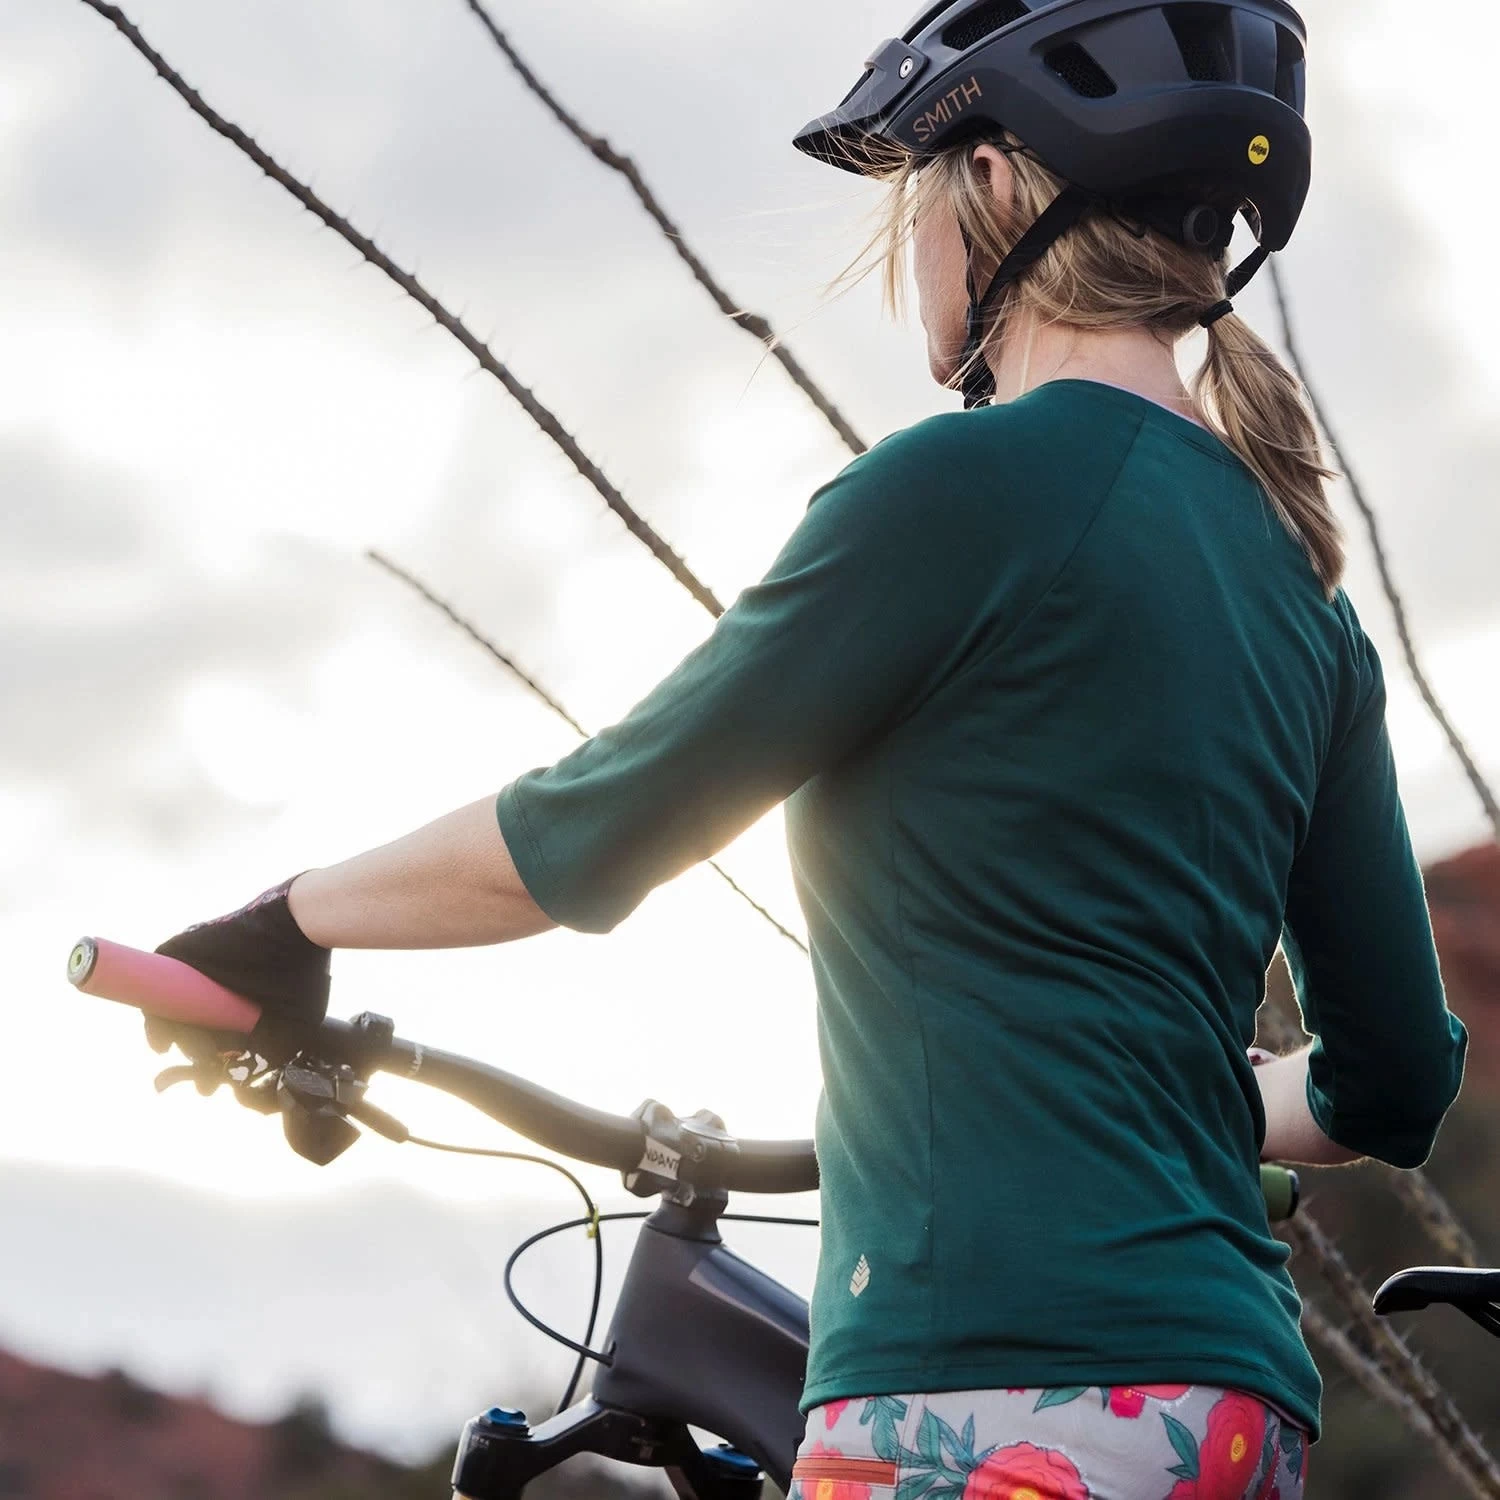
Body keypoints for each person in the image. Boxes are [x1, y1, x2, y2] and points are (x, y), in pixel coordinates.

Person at [153, 1, 1467, 1495]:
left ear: (987, 185)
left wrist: (284, 925)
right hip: (1227, 1411)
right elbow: (1392, 1084)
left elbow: (586, 834)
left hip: (990, 1392)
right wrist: (1198, 1097)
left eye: (916, 199)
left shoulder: (959, 493)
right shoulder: (1303, 596)